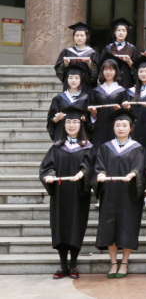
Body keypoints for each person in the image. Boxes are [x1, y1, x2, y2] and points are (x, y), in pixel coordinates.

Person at [39, 106, 94, 280]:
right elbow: (47, 166)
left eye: (75, 122)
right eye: (68, 122)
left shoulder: (87, 147)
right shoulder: (56, 147)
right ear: (64, 125)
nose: (71, 125)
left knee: (76, 226)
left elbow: (90, 165)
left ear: (81, 124)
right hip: (60, 193)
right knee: (60, 227)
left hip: (79, 194)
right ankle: (63, 266)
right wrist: (49, 175)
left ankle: (74, 265)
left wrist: (83, 173)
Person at [93, 109, 146, 279]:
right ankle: (113, 263)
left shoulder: (137, 148)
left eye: (124, 125)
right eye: (117, 125)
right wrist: (100, 174)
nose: (121, 128)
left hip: (129, 194)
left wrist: (133, 174)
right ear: (113, 127)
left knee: (127, 227)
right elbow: (99, 166)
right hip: (109, 193)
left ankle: (124, 262)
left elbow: (140, 167)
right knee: (110, 228)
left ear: (131, 128)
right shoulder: (105, 147)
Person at [88, 53, 126, 146]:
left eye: (111, 69)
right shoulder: (95, 91)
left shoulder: (122, 91)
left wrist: (120, 110)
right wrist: (94, 113)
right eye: (105, 69)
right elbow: (91, 116)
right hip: (99, 129)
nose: (108, 72)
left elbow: (126, 113)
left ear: (116, 72)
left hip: (116, 128)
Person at [47, 63, 91, 141]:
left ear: (81, 79)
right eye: (70, 78)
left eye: (76, 78)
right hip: (62, 137)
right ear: (66, 79)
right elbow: (51, 119)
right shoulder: (58, 99)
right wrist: (56, 119)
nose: (73, 80)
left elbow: (92, 121)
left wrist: (86, 119)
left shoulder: (87, 99)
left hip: (81, 139)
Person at [54, 22, 99, 93]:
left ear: (87, 36)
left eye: (82, 35)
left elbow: (96, 74)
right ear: (73, 36)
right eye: (77, 35)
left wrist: (89, 63)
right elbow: (60, 73)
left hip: (87, 88)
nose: (79, 38)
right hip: (71, 88)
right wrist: (65, 64)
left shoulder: (93, 53)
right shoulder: (66, 52)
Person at [100, 18, 141, 89]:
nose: (121, 33)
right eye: (118, 30)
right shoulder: (107, 48)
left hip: (126, 81)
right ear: (114, 32)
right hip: (110, 82)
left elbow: (138, 68)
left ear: (127, 33)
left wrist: (129, 62)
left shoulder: (132, 49)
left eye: (123, 30)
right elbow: (101, 66)